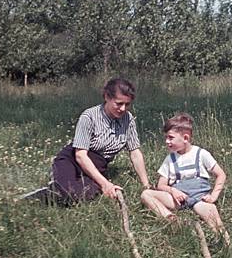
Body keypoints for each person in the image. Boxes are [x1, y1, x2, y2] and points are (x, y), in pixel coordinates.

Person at [22, 78, 151, 203]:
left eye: (127, 104)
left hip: (97, 166)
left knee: (86, 195)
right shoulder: (89, 116)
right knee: (68, 192)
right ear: (107, 97)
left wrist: (146, 185)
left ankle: (60, 188)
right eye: (119, 103)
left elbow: (135, 153)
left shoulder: (128, 119)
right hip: (72, 160)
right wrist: (105, 183)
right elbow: (80, 155)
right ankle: (36, 196)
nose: (123, 109)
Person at [140, 113, 230, 245]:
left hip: (200, 198)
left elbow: (221, 174)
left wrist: (213, 196)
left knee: (215, 223)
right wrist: (173, 191)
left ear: (185, 138)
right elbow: (161, 185)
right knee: (146, 194)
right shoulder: (170, 159)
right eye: (166, 138)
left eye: (170, 138)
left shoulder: (201, 154)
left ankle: (226, 246)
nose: (167, 141)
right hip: (179, 199)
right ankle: (171, 219)